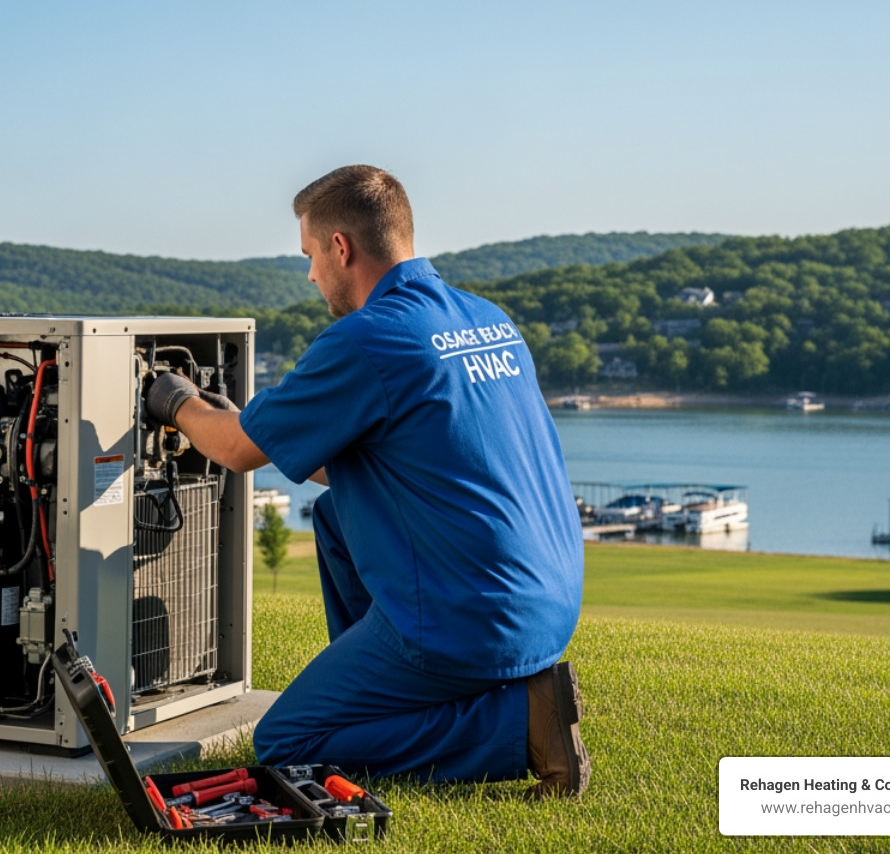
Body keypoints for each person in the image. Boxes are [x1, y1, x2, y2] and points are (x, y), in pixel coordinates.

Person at [145, 165, 588, 794]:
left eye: (309, 255)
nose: (310, 275)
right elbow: (393, 465)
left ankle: (518, 726)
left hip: (472, 616)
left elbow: (239, 450)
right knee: (332, 516)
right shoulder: (486, 318)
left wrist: (176, 400)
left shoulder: (368, 339)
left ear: (340, 247)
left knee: (286, 743)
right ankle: (410, 692)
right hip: (549, 600)